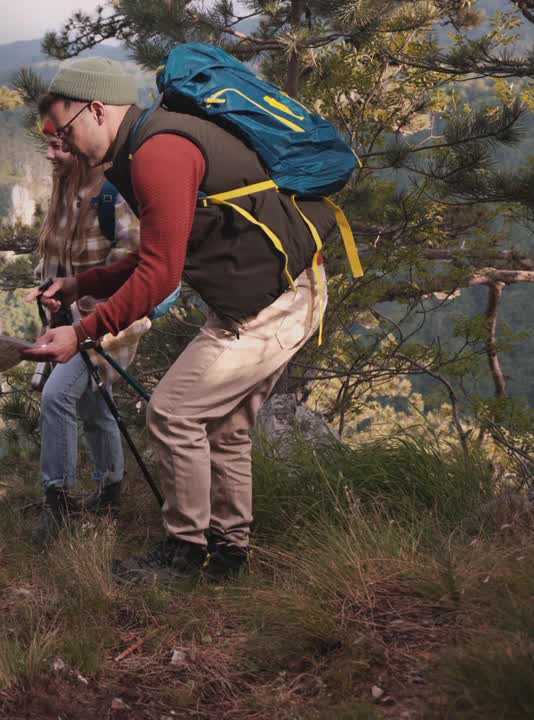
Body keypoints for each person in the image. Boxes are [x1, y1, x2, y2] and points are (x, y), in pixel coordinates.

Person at [24, 57, 333, 584]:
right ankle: (230, 554)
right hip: (281, 295)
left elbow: (160, 275)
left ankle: (185, 552)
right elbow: (160, 253)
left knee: (172, 413)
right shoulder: (156, 143)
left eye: (63, 128)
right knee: (228, 428)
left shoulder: (157, 153)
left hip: (270, 306)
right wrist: (82, 285)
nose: (61, 141)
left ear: (97, 110)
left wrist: (79, 334)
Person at [31, 116, 150, 545]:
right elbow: (54, 257)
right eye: (48, 147)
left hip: (110, 325)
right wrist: (49, 288)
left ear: (78, 149)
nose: (51, 156)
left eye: (59, 148)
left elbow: (136, 267)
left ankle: (57, 501)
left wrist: (84, 302)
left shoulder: (111, 195)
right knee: (96, 405)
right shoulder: (64, 194)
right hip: (70, 321)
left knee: (57, 396)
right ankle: (111, 489)